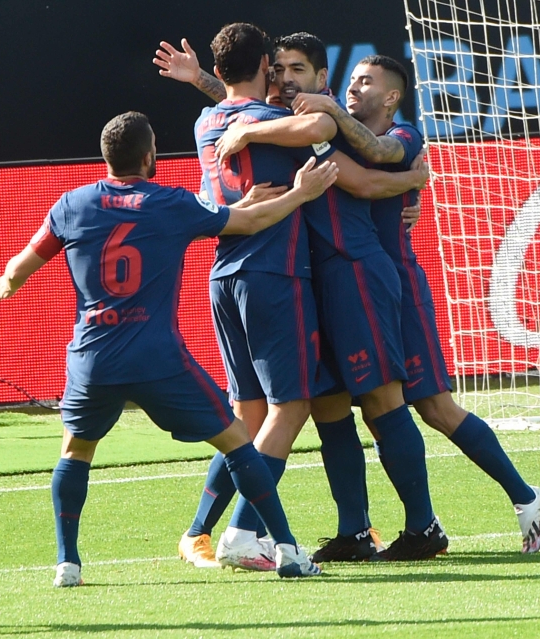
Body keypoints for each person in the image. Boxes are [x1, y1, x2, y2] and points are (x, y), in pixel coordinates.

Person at [0, 110, 339, 585]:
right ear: (149, 155)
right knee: (238, 442)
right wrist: (301, 192)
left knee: (75, 453)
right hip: (156, 358)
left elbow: (19, 267)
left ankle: (67, 564)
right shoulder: (171, 203)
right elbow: (251, 220)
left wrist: (6, 285)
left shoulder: (72, 205)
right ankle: (286, 551)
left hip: (93, 358)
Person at [159, 31, 442, 564]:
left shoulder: (305, 123)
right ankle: (334, 531)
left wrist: (413, 179)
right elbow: (255, 111)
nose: (286, 78)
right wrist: (215, 93)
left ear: (321, 80)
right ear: (266, 71)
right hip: (292, 277)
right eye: (279, 68)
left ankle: (418, 525)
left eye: (297, 70)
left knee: (380, 402)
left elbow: (359, 174)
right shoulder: (271, 121)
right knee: (309, 406)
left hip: (344, 273)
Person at [288, 54, 540, 556]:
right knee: (355, 404)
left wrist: (411, 179)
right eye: (352, 80)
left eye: (366, 82)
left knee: (432, 406)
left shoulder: (405, 136)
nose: (353, 88)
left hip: (396, 286)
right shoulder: (335, 132)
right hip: (351, 286)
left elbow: (377, 160)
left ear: (392, 97)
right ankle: (361, 531)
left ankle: (522, 498)